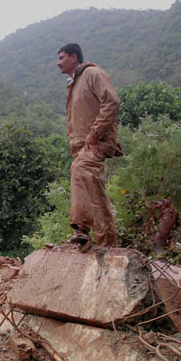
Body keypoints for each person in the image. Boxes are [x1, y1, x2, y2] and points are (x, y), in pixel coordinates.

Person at [56, 43, 122, 251]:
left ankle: (82, 229)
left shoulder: (93, 73)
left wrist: (94, 134)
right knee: (96, 193)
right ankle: (108, 243)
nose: (58, 63)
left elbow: (112, 101)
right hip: (83, 147)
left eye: (61, 58)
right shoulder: (74, 83)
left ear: (73, 57)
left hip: (95, 143)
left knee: (79, 170)